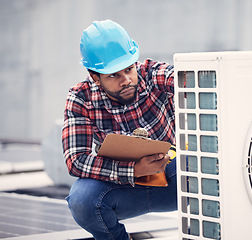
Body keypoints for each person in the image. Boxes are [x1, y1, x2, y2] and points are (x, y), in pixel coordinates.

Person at [62, 19, 176, 240]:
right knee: (82, 200)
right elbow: (76, 160)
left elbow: (187, 79)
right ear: (94, 76)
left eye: (129, 69)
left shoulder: (152, 74)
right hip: (122, 188)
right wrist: (133, 170)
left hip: (172, 180)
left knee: (217, 172)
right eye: (114, 75)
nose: (126, 80)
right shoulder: (80, 98)